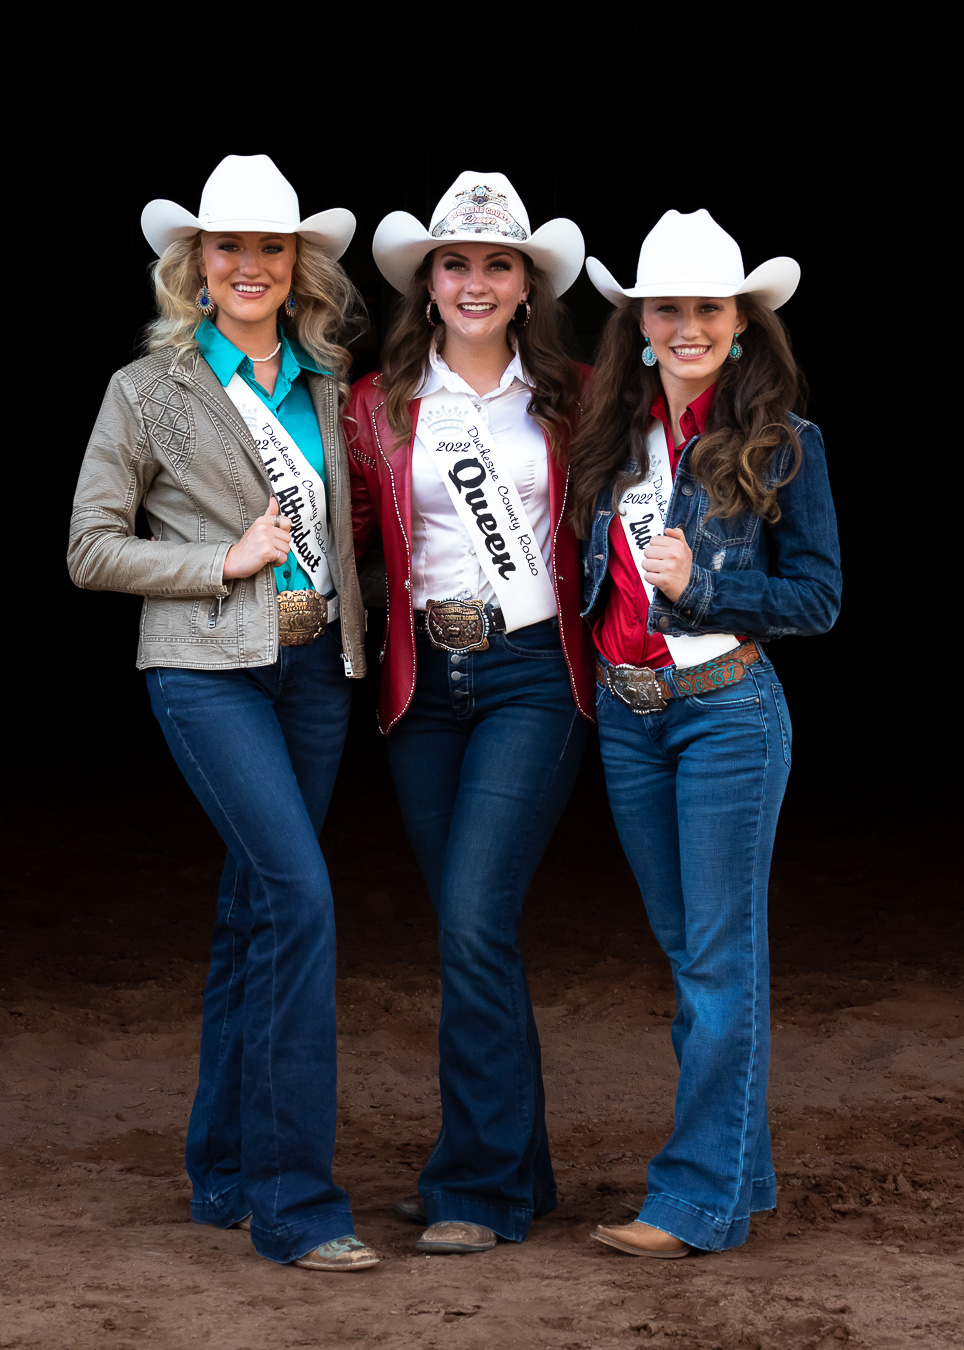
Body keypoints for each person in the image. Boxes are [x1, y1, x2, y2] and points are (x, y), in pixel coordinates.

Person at [68, 155, 378, 1271]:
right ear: (194, 265)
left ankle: (224, 1170)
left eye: (271, 247)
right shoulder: (144, 392)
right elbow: (89, 548)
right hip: (205, 672)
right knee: (300, 901)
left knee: (255, 914)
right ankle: (296, 1206)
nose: (249, 265)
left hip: (314, 678)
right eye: (228, 246)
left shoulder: (333, 384)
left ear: (298, 269)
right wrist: (223, 559)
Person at [569, 209, 841, 1258]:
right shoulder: (611, 437)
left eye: (708, 309)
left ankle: (693, 1204)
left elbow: (818, 597)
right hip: (632, 721)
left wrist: (709, 583)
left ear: (740, 324)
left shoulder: (782, 444)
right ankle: (743, 1172)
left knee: (719, 965)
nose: (688, 326)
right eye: (669, 307)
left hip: (727, 711)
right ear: (640, 323)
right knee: (693, 958)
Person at [348, 171, 596, 1254]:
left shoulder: (580, 397)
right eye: (456, 263)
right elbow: (344, 524)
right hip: (424, 689)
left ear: (529, 285)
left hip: (532, 679)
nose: (476, 281)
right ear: (429, 283)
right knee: (468, 930)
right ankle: (518, 1168)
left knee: (475, 920)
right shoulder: (376, 402)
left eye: (499, 263)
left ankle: (477, 1189)